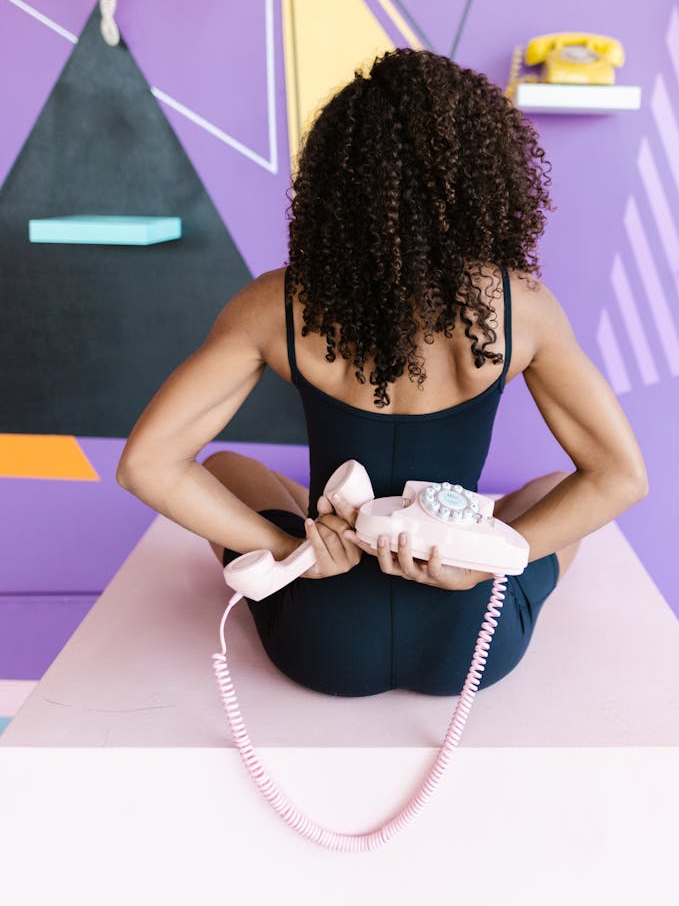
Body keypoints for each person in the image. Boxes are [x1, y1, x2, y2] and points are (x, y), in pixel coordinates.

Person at [116, 48, 647, 697]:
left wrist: (283, 549)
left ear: (338, 185)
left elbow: (146, 463)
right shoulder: (520, 308)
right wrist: (481, 568)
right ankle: (472, 548)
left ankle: (311, 534)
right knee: (552, 490)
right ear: (480, 177)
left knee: (228, 467)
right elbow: (621, 475)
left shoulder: (278, 305)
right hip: (467, 640)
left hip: (323, 640)